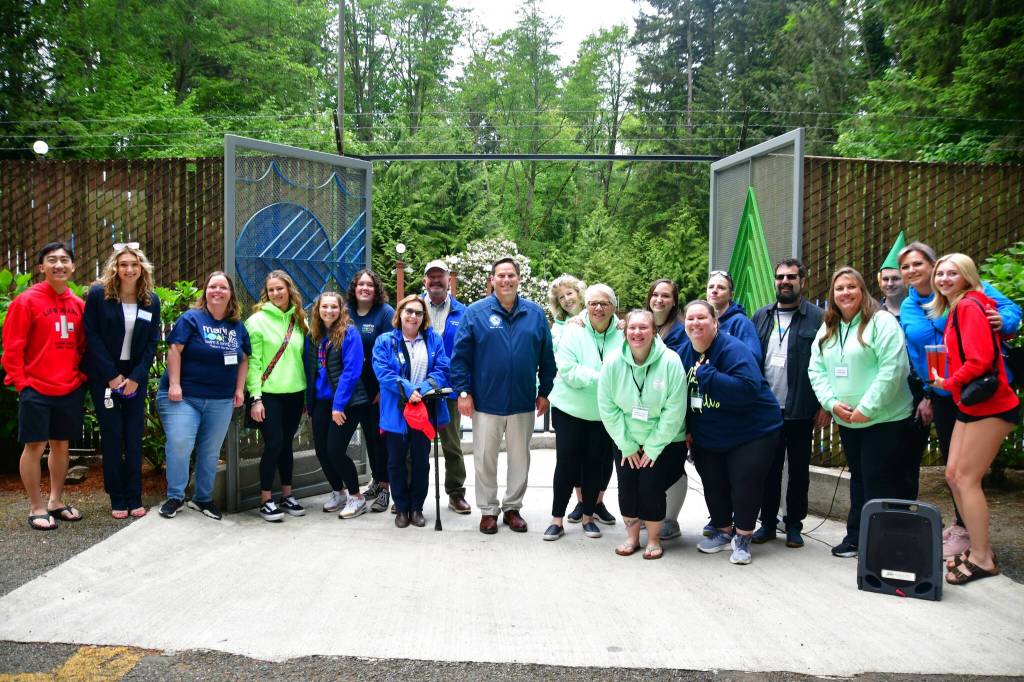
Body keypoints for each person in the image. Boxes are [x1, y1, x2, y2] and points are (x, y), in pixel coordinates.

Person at [898, 241, 1020, 558]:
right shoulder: (912, 305)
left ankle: (973, 541)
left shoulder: (968, 295)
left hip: (975, 390)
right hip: (943, 392)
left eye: (918, 264)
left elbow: (1010, 312)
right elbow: (919, 349)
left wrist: (999, 321)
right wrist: (928, 392)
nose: (912, 271)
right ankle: (961, 526)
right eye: (906, 267)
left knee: (965, 473)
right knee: (953, 470)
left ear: (933, 265)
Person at [927, 253, 1020, 585]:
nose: (945, 278)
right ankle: (977, 548)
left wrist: (947, 383)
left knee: (966, 479)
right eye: (941, 273)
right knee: (953, 475)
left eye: (953, 273)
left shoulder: (968, 306)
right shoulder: (960, 307)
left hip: (991, 405)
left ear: (966, 275)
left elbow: (981, 361)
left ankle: (982, 558)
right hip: (972, 405)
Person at [808, 267, 914, 558]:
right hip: (849, 420)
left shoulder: (881, 322)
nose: (845, 293)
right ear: (832, 294)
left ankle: (880, 544)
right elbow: (815, 369)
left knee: (879, 479)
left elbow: (894, 368)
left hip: (885, 419)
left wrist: (867, 408)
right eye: (839, 288)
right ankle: (856, 536)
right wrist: (831, 403)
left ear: (862, 290)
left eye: (851, 286)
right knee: (859, 479)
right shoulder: (828, 326)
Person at [451, 257, 556, 534]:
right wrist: (463, 392)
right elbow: (459, 357)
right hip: (486, 402)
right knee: (485, 458)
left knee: (520, 458)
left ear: (518, 279)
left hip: (523, 401)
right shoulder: (475, 313)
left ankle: (512, 508)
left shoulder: (535, 314)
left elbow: (547, 357)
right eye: (501, 275)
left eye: (511, 275)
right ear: (492, 280)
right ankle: (488, 510)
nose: (506, 280)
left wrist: (545, 391)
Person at [680, 300, 783, 565]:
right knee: (713, 483)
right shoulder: (685, 352)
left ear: (715, 322)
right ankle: (723, 532)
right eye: (690, 318)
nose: (696, 323)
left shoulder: (732, 349)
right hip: (709, 433)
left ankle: (743, 538)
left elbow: (748, 389)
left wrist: (710, 376)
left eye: (702, 317)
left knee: (744, 483)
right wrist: (689, 428)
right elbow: (683, 394)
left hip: (752, 430)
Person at [3, 242, 87, 531]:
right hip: (36, 387)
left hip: (69, 387)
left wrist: (81, 377)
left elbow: (83, 347)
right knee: (35, 445)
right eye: (52, 260)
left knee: (61, 445)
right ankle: (36, 506)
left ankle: (55, 501)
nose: (59, 265)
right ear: (41, 267)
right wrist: (23, 384)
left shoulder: (79, 305)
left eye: (65, 260)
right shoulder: (26, 301)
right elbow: (12, 348)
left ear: (73, 267)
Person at [157, 272, 250, 520]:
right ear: (205, 292)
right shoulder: (192, 319)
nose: (217, 291)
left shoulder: (237, 326)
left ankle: (202, 498)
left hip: (220, 399)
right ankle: (175, 496)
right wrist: (175, 384)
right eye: (212, 287)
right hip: (183, 396)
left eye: (223, 287)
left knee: (210, 451)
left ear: (230, 294)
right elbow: (175, 349)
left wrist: (239, 389)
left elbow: (243, 360)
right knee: (180, 444)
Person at [749, 259, 828, 548]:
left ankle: (793, 524)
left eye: (791, 277)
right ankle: (767, 523)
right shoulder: (761, 316)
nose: (785, 281)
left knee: (798, 471)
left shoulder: (817, 318)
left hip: (800, 409)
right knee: (768, 469)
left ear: (802, 281)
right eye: (780, 277)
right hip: (767, 410)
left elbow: (827, 363)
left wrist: (824, 404)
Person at [597, 310, 686, 560]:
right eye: (632, 328)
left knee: (651, 487)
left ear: (654, 331)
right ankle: (632, 537)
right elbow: (607, 405)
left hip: (660, 440)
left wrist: (653, 447)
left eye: (643, 328)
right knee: (627, 487)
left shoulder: (670, 361)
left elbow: (674, 409)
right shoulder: (613, 362)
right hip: (626, 438)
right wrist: (626, 444)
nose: (637, 333)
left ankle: (654, 539)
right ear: (625, 332)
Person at [83, 243, 161, 519]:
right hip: (106, 376)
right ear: (114, 267)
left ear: (142, 269)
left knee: (133, 437)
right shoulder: (98, 295)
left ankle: (134, 495)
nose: (129, 270)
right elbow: (91, 336)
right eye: (124, 264)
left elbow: (153, 342)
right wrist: (112, 376)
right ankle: (117, 496)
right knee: (113, 436)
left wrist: (136, 377)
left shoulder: (150, 300)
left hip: (134, 377)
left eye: (134, 265)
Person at [544, 284, 623, 541]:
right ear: (586, 306)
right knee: (566, 465)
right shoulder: (573, 330)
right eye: (593, 303)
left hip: (602, 413)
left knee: (594, 466)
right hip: (570, 410)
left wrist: (605, 382)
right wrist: (603, 379)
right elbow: (567, 369)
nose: (598, 308)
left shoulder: (622, 334)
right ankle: (557, 520)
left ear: (614, 307)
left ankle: (589, 517)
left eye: (604, 303)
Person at [372, 295, 451, 528]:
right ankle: (402, 508)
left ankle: (417, 507)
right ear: (400, 313)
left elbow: (442, 368)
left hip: (423, 410)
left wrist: (423, 389)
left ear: (424, 316)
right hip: (396, 410)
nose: (413, 316)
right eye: (409, 311)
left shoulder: (433, 339)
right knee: (395, 462)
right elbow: (383, 372)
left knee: (420, 461)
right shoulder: (385, 341)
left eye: (418, 312)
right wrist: (407, 389)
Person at [246, 271, 308, 522]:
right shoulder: (256, 321)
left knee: (286, 445)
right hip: (269, 395)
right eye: (271, 290)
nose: (275, 293)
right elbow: (254, 363)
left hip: (295, 393)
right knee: (273, 444)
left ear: (289, 289)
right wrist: (256, 398)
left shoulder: (299, 319)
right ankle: (265, 500)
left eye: (280, 289)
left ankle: (287, 495)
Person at [304, 291, 367, 519]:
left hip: (346, 403)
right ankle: (338, 492)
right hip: (321, 401)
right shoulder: (314, 335)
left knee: (335, 450)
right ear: (317, 310)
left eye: (333, 307)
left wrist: (338, 405)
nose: (329, 311)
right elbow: (309, 370)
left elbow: (351, 372)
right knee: (322, 451)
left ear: (341, 310)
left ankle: (356, 497)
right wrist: (308, 401)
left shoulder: (349, 333)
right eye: (324, 307)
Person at [420, 259, 470, 514]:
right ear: (424, 281)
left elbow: (470, 351)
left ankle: (455, 493)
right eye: (432, 277)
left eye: (441, 276)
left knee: (452, 444)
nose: (436, 281)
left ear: (449, 280)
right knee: (415, 445)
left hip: (449, 390)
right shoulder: (413, 308)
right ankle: (411, 493)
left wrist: (466, 389)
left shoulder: (464, 312)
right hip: (418, 390)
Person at [347, 269, 395, 513]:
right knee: (368, 435)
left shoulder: (385, 314)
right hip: (354, 388)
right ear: (354, 288)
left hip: (378, 388)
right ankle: (377, 481)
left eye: (369, 284)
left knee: (380, 438)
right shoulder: (346, 313)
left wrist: (382, 388)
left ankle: (386, 488)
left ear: (376, 289)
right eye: (360, 284)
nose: (365, 288)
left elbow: (391, 353)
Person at [705, 270, 761, 360]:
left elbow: (752, 358)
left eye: (721, 288)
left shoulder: (741, 322)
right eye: (711, 287)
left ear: (731, 295)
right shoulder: (703, 322)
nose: (714, 291)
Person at [548, 274, 586, 353]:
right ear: (558, 303)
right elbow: (552, 351)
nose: (567, 299)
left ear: (579, 293)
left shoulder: (594, 313)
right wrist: (567, 329)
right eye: (561, 297)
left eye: (569, 293)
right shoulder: (558, 326)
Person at [878, 232, 907, 319]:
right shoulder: (874, 311)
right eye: (885, 279)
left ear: (906, 280)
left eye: (895, 278)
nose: (890, 284)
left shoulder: (919, 310)